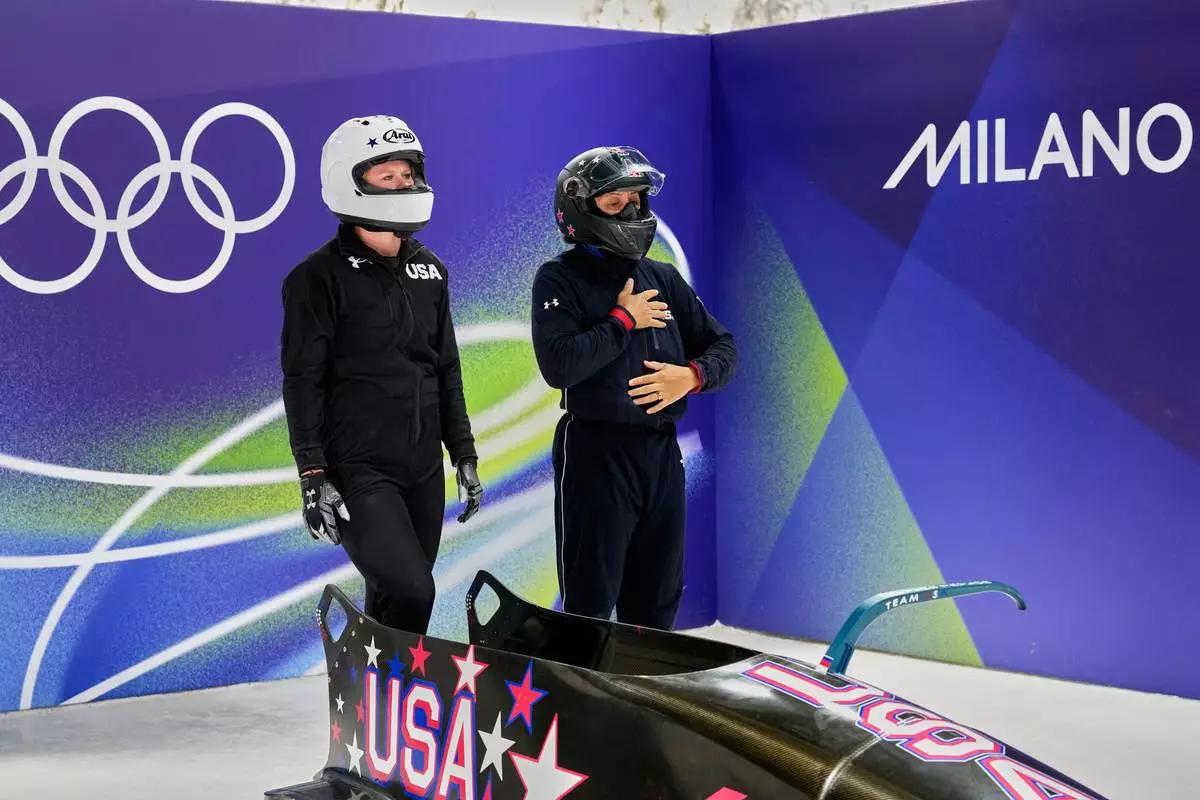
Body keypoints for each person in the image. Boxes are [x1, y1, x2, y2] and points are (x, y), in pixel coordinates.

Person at [279, 115, 483, 635]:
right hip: (357, 470)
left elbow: (446, 367)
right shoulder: (315, 279)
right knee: (414, 589)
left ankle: (373, 712)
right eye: (386, 176)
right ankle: (381, 700)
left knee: (394, 607)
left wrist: (463, 451)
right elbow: (302, 380)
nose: (402, 184)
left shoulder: (431, 270)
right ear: (350, 181)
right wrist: (312, 473)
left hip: (421, 468)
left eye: (407, 173)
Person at [530, 145, 737, 630]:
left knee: (658, 597)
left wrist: (691, 376)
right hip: (596, 453)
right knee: (591, 597)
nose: (631, 210)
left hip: (661, 455)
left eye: (636, 199)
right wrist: (624, 319)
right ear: (581, 208)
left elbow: (724, 348)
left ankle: (646, 699)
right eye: (614, 201)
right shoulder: (559, 277)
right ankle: (583, 700)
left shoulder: (661, 277)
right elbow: (559, 365)